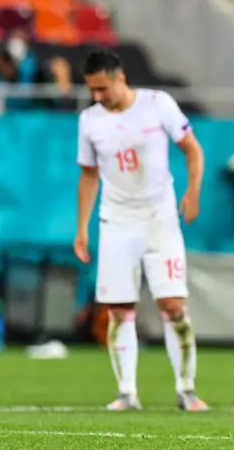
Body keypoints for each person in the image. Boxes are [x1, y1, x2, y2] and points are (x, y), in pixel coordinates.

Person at [73, 49, 207, 412]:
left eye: (102, 88)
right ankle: (127, 393)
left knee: (173, 304)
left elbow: (192, 149)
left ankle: (186, 389)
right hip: (116, 222)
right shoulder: (89, 121)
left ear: (120, 78)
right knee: (118, 309)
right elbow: (89, 174)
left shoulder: (157, 104)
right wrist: (82, 226)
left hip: (159, 219)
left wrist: (193, 190)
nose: (97, 96)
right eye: (92, 90)